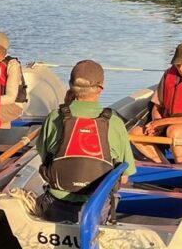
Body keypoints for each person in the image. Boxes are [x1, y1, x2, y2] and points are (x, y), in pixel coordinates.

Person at [35, 59, 135, 222]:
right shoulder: (114, 122)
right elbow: (124, 177)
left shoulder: (54, 117)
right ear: (101, 87)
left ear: (71, 86)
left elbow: (44, 157)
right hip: (96, 207)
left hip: (57, 203)